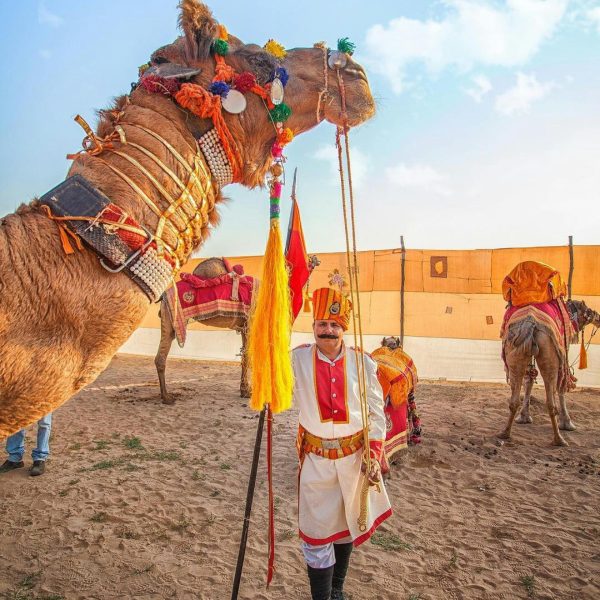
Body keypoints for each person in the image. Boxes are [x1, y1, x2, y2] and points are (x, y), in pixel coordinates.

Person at [292, 287, 392, 600]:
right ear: (313, 327)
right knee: (317, 534)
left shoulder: (363, 363)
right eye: (322, 324)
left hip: (355, 460)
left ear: (343, 329)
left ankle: (337, 590)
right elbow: (269, 377)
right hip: (316, 462)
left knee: (347, 525)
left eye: (334, 325)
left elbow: (376, 412)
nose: (328, 330)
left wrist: (374, 453)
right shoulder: (295, 360)